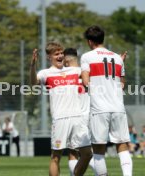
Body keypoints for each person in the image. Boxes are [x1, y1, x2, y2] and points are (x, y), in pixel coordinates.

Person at [30, 42, 92, 176]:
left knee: (87, 154)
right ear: (49, 57)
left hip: (78, 118)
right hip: (60, 119)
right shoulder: (46, 73)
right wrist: (33, 65)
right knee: (56, 157)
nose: (60, 56)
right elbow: (33, 82)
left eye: (61, 53)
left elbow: (92, 76)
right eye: (56, 54)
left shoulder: (75, 71)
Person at [80, 25, 132, 176]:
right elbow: (122, 84)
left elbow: (85, 81)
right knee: (122, 146)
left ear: (90, 41)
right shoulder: (117, 58)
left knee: (98, 151)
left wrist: (94, 87)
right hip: (118, 108)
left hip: (99, 109)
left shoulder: (87, 56)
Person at [63, 48, 96, 176]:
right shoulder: (87, 72)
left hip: (74, 117)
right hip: (88, 116)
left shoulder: (65, 74)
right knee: (84, 152)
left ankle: (101, 173)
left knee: (78, 153)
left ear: (66, 59)